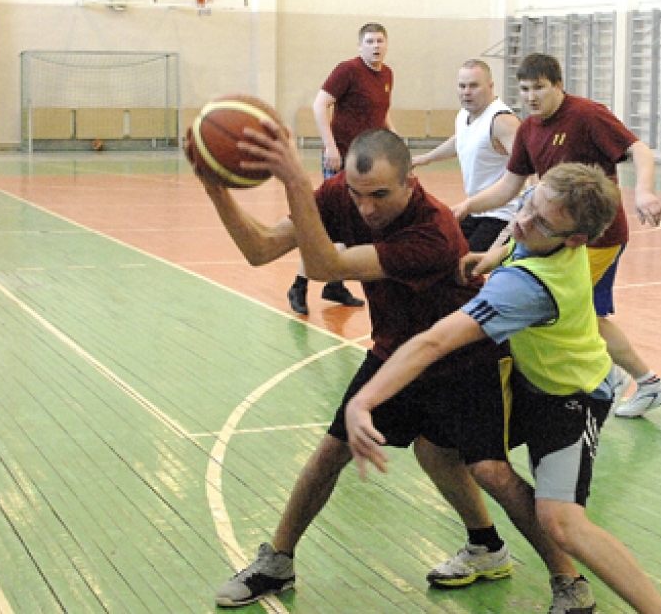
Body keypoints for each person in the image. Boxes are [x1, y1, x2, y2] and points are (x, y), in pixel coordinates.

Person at [196, 128, 584, 609]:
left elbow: (324, 266)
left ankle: (569, 581)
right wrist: (216, 189)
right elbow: (260, 249)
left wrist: (295, 181)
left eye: (379, 195)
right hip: (395, 353)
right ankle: (279, 561)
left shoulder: (435, 231)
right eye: (357, 195)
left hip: (461, 356)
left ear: (409, 179)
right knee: (333, 452)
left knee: (489, 470)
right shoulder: (343, 193)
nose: (366, 209)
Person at [346, 163, 661, 614]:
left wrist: (363, 401)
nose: (523, 221)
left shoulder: (526, 289)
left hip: (571, 398)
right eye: (529, 203)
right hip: (529, 379)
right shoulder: (541, 237)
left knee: (561, 521)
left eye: (542, 221)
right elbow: (522, 231)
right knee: (436, 446)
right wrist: (493, 255)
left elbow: (433, 341)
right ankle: (486, 546)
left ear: (575, 239)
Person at [453, 53, 661, 419]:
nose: (531, 96)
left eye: (539, 87)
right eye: (524, 89)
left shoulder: (586, 115)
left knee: (560, 309)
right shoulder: (527, 130)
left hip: (597, 238)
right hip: (555, 236)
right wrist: (467, 207)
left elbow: (639, 149)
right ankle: (639, 380)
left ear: (558, 85)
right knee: (590, 315)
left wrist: (644, 191)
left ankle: (612, 378)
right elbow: (509, 186)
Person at [287, 22, 398, 315]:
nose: (376, 46)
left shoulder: (386, 74)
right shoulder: (347, 70)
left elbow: (381, 114)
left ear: (387, 45)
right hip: (342, 160)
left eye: (380, 41)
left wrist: (394, 140)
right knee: (326, 225)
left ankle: (334, 284)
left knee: (351, 227)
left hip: (369, 165)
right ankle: (299, 285)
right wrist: (330, 146)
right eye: (370, 41)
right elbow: (319, 105)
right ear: (360, 46)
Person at [413, 59, 522, 252]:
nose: (466, 92)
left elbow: (526, 164)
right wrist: (426, 158)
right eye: (462, 86)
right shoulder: (464, 114)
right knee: (443, 251)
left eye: (473, 86)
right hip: (477, 209)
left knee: (469, 265)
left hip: (503, 215)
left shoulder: (502, 121)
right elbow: (461, 140)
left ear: (490, 86)